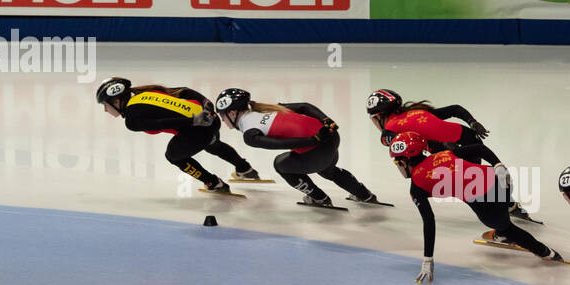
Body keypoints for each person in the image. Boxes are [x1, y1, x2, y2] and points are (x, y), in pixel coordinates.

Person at [390, 132, 562, 285]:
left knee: (505, 227)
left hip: (487, 201)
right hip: (500, 178)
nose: (396, 166)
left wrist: (428, 258)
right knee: (500, 208)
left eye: (396, 161)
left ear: (405, 161)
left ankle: (547, 253)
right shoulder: (442, 155)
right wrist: (498, 165)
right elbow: (479, 148)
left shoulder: (416, 188)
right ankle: (510, 208)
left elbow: (429, 221)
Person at [365, 90, 532, 221]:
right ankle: (510, 206)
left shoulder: (389, 131)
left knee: (468, 187)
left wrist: (438, 148)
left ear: (379, 116)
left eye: (372, 119)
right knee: (482, 178)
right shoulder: (416, 112)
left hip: (454, 150)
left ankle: (502, 222)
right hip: (471, 140)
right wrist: (473, 122)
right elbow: (455, 109)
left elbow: (396, 146)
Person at [215, 89, 379, 208]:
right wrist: (326, 120)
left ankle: (319, 198)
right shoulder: (266, 109)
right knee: (327, 169)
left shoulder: (249, 134)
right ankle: (364, 194)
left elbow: (282, 144)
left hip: (317, 146)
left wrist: (313, 140)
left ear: (233, 112)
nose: (223, 120)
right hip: (331, 136)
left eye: (223, 115)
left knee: (280, 164)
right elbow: (305, 106)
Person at [95, 77, 256, 195]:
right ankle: (245, 169)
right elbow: (184, 91)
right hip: (210, 119)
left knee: (173, 156)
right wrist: (205, 102)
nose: (105, 110)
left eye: (105, 105)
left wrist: (193, 121)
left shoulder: (131, 120)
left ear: (116, 101)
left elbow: (163, 123)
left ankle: (213, 183)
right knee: (213, 145)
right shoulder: (145, 92)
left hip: (197, 127)